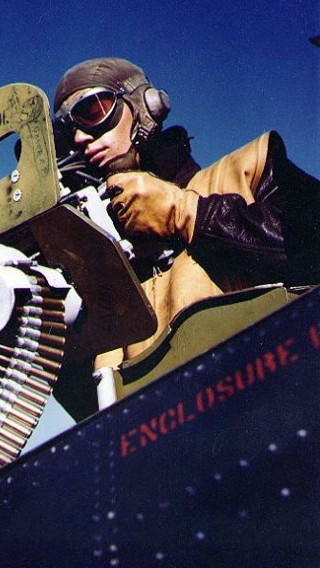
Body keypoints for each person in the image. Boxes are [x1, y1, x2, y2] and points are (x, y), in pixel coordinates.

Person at [53, 57, 320, 368]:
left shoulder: (249, 168)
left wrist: (188, 213)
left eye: (92, 111)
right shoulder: (100, 260)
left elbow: (309, 245)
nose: (80, 138)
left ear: (145, 106)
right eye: (68, 131)